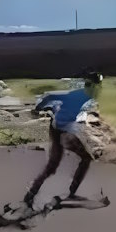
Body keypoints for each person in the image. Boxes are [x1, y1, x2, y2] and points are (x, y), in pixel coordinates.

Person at [24, 70, 106, 207]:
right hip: (62, 132)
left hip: (59, 129)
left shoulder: (86, 96)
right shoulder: (77, 95)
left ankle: (30, 195)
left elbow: (51, 99)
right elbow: (50, 95)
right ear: (91, 86)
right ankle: (71, 193)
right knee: (85, 158)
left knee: (52, 167)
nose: (100, 90)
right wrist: (37, 109)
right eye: (98, 86)